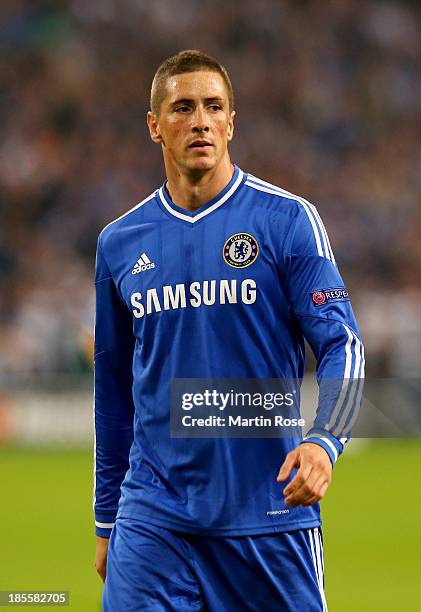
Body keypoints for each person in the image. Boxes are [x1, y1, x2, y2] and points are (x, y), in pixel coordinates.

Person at [93, 50, 364, 611]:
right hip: (154, 519)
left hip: (267, 515)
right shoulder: (119, 243)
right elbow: (113, 389)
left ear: (231, 123)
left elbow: (343, 344)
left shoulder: (287, 221)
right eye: (183, 107)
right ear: (154, 126)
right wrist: (107, 516)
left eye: (214, 107)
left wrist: (325, 442)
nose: (200, 120)